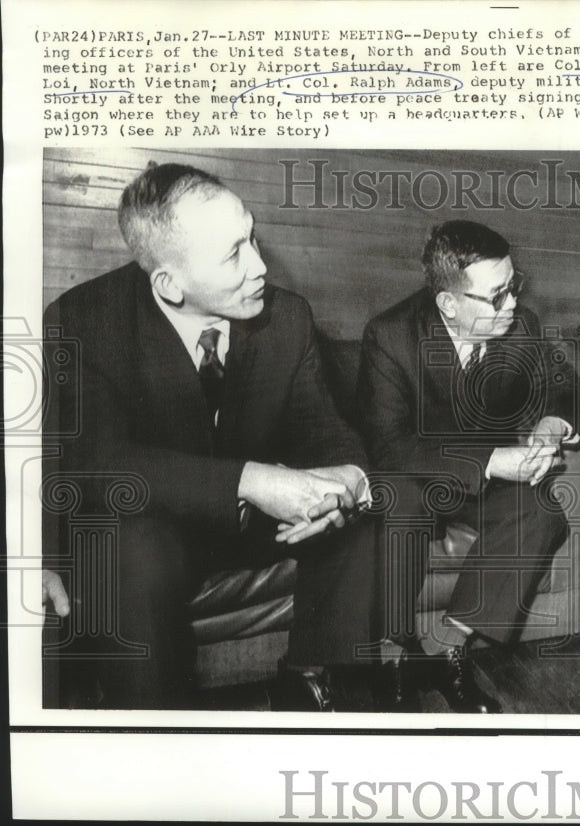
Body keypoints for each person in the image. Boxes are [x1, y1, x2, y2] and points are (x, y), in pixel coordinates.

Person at [42, 163, 383, 711]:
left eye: (251, 236)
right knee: (130, 546)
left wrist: (348, 478)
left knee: (357, 522)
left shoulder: (287, 318)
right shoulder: (84, 320)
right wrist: (251, 479)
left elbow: (321, 424)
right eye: (233, 255)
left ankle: (314, 687)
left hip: (251, 525)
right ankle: (153, 734)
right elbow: (94, 463)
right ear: (169, 284)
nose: (261, 266)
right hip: (153, 525)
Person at [356, 220, 580, 712]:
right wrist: (491, 460)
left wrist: (550, 423)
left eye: (512, 286)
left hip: (483, 481)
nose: (512, 304)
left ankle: (446, 646)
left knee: (543, 513)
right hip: (415, 479)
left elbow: (561, 381)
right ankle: (394, 655)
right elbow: (390, 448)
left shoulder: (518, 325)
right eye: (496, 296)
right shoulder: (390, 336)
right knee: (402, 502)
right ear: (448, 303)